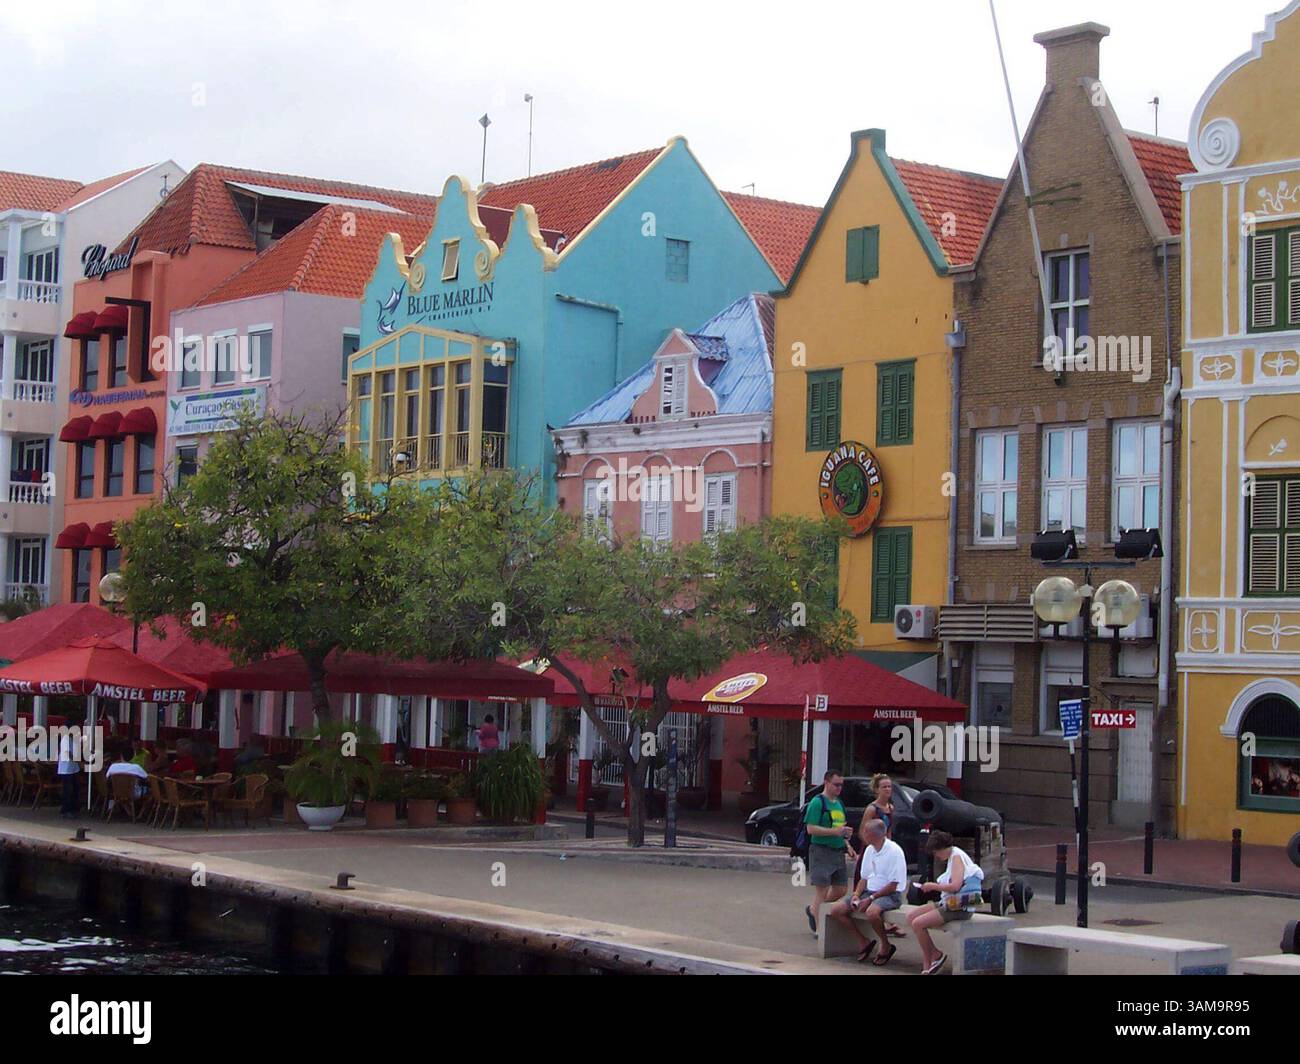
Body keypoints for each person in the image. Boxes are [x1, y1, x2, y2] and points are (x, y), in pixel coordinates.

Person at [906, 830, 986, 975]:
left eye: (936, 853)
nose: (936, 856)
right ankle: (931, 956)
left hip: (959, 906)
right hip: (949, 902)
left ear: (942, 848)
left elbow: (955, 886)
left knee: (918, 923)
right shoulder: (952, 856)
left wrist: (932, 886)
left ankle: (933, 957)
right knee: (911, 916)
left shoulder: (956, 857)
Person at [830, 818, 908, 964]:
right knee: (836, 910)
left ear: (874, 835)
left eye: (866, 832)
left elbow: (893, 885)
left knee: (872, 912)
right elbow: (864, 878)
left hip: (890, 895)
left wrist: (871, 898)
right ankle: (863, 941)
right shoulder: (869, 850)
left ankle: (885, 944)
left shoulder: (894, 851)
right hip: (869, 891)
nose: (863, 835)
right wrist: (856, 895)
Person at [802, 770, 856, 935]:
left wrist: (848, 844)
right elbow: (811, 828)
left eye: (841, 785)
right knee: (822, 889)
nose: (839, 788)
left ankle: (814, 909)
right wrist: (835, 832)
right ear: (826, 783)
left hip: (837, 850)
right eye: (836, 784)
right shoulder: (818, 803)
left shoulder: (839, 803)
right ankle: (819, 929)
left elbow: (840, 828)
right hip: (821, 850)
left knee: (840, 888)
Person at [856, 773, 904, 938]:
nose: (888, 790)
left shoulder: (890, 808)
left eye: (890, 786)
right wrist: (873, 848)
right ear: (877, 790)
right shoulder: (872, 809)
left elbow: (888, 830)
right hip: (871, 848)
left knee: (886, 880)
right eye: (884, 787)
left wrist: (888, 846)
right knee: (868, 881)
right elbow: (863, 831)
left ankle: (888, 922)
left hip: (885, 847)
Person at [57, 729, 80, 819]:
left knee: (74, 789)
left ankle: (72, 808)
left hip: (73, 768)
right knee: (68, 790)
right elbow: (68, 753)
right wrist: (77, 759)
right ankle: (66, 810)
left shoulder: (72, 739)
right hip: (67, 769)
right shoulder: (66, 739)